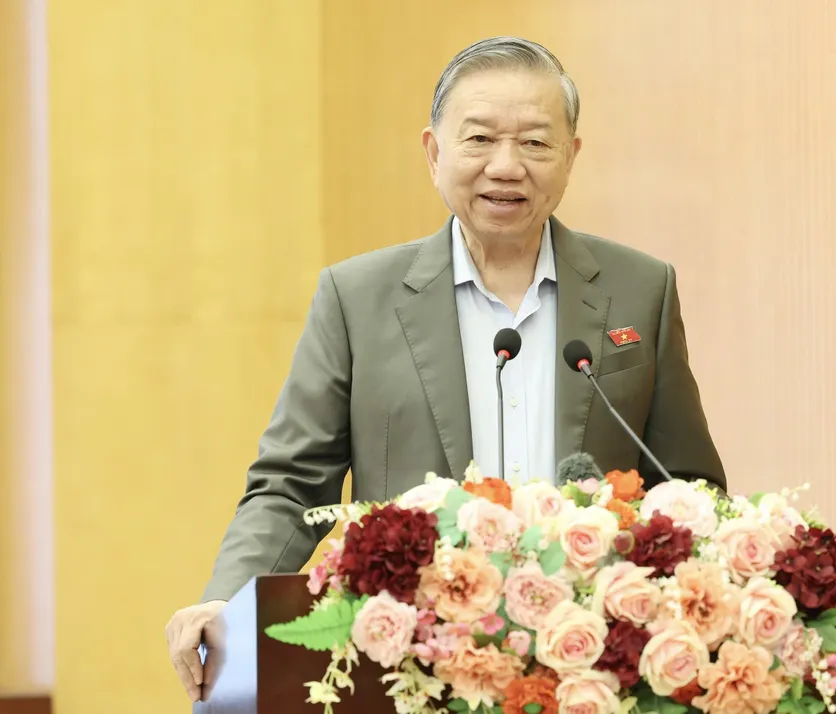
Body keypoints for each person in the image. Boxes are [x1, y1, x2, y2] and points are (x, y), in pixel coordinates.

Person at [165, 36, 725, 701]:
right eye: (479, 139)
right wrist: (226, 601)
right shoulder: (357, 298)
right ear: (434, 152)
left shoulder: (640, 290)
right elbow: (290, 486)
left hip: (590, 672)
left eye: (536, 144)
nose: (506, 167)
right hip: (410, 665)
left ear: (571, 157)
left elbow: (687, 487)